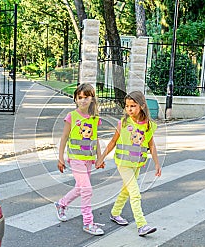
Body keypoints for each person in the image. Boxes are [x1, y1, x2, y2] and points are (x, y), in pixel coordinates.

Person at [96, 90, 162, 237]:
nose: (129, 109)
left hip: (137, 164)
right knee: (135, 192)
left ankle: (115, 213)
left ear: (142, 106)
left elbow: (151, 145)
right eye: (127, 106)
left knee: (126, 190)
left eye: (133, 106)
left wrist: (157, 164)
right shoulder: (123, 123)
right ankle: (142, 224)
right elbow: (113, 141)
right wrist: (101, 158)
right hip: (123, 163)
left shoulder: (148, 126)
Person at [55, 83, 105, 236]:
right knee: (87, 189)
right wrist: (60, 158)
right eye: (80, 97)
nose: (83, 100)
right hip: (75, 159)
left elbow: (95, 139)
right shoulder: (72, 116)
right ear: (75, 99)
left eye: (86, 97)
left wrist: (100, 158)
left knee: (80, 188)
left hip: (88, 159)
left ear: (92, 99)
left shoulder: (95, 118)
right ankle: (88, 223)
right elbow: (64, 137)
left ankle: (61, 204)